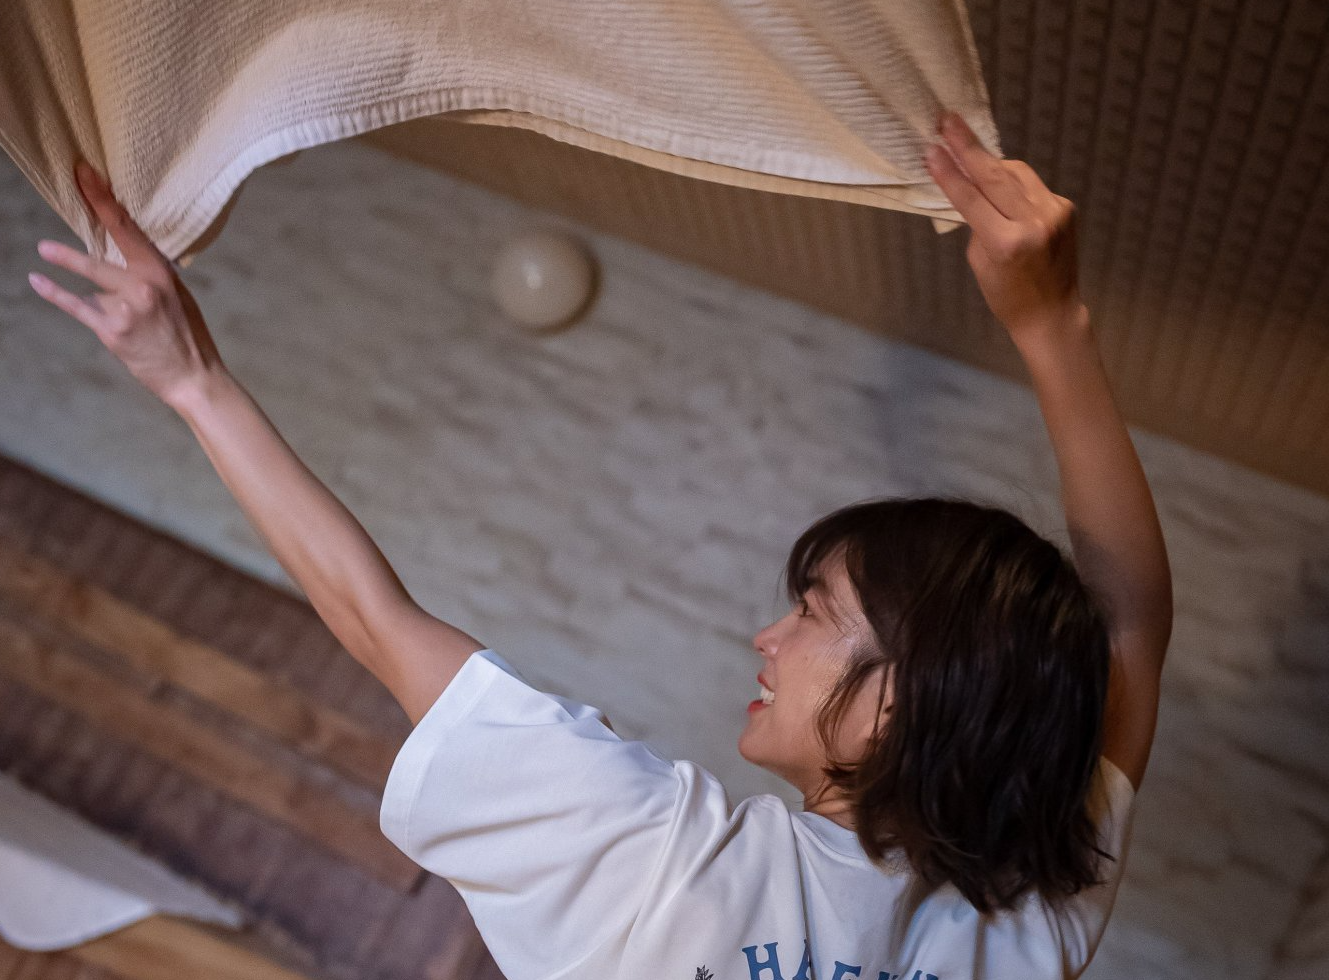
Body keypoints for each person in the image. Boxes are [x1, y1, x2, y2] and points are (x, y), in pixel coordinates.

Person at [28, 112, 1173, 980]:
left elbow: (378, 624)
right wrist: (1049, 323)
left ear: (901, 700)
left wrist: (194, 380)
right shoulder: (1018, 923)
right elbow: (1125, 624)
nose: (766, 636)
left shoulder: (662, 864)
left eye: (813, 611)